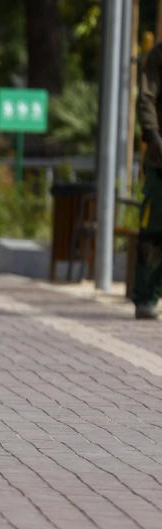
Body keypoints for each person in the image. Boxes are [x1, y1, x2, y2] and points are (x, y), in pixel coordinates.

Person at [136, 40, 162, 320]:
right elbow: (147, 97)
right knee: (154, 225)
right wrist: (153, 135)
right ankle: (146, 295)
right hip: (160, 161)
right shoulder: (159, 55)